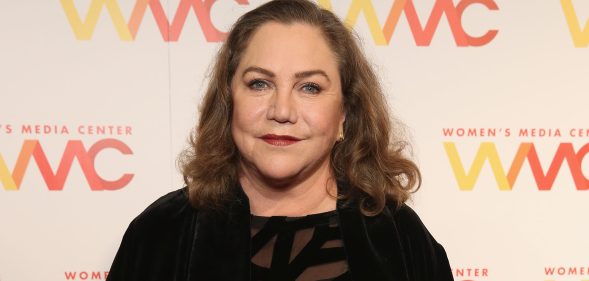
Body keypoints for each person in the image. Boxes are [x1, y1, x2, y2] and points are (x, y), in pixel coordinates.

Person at [106, 0, 453, 280]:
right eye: (260, 83)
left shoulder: (400, 237)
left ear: (344, 113)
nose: (282, 110)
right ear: (230, 100)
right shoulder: (161, 234)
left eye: (310, 87)